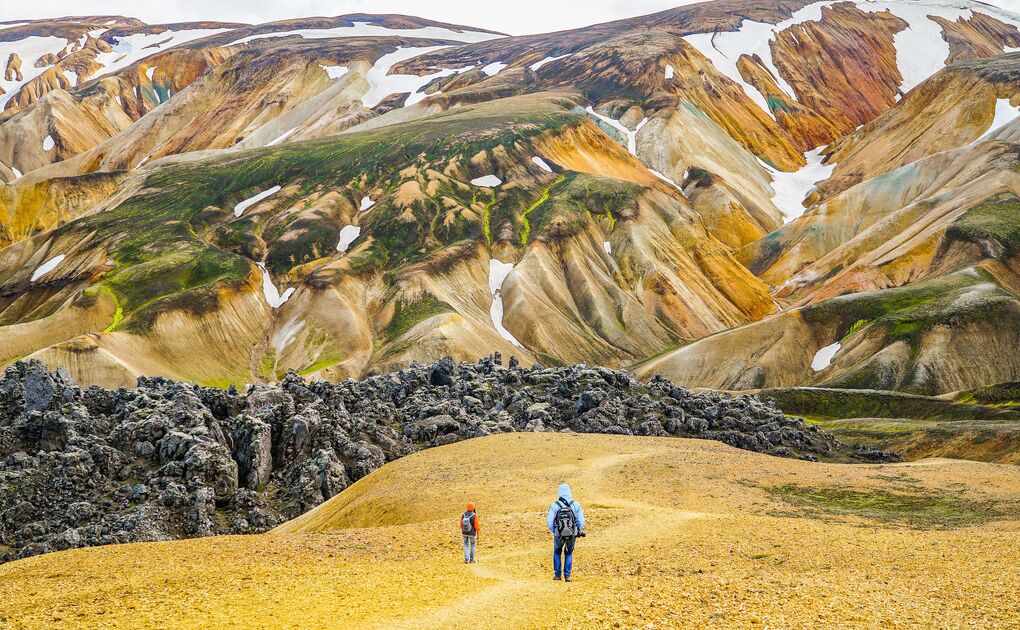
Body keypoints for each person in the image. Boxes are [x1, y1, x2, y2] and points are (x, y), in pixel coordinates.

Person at [546, 483, 585, 581]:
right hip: (572, 533)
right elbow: (581, 521)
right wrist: (577, 530)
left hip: (558, 534)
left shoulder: (555, 505)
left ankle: (557, 575)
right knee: (568, 553)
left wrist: (555, 531)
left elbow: (549, 521)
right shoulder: (576, 505)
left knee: (557, 552)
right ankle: (567, 576)